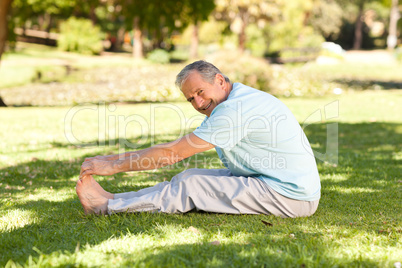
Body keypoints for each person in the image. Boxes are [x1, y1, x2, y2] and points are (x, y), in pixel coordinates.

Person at [77, 60, 321, 217]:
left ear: (219, 80)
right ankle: (115, 199)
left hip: (289, 196)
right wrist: (111, 158)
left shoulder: (235, 110)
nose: (198, 103)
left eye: (200, 92)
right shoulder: (235, 99)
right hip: (273, 182)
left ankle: (105, 208)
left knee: (192, 187)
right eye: (190, 98)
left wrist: (111, 165)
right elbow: (173, 148)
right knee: (190, 177)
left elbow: (171, 154)